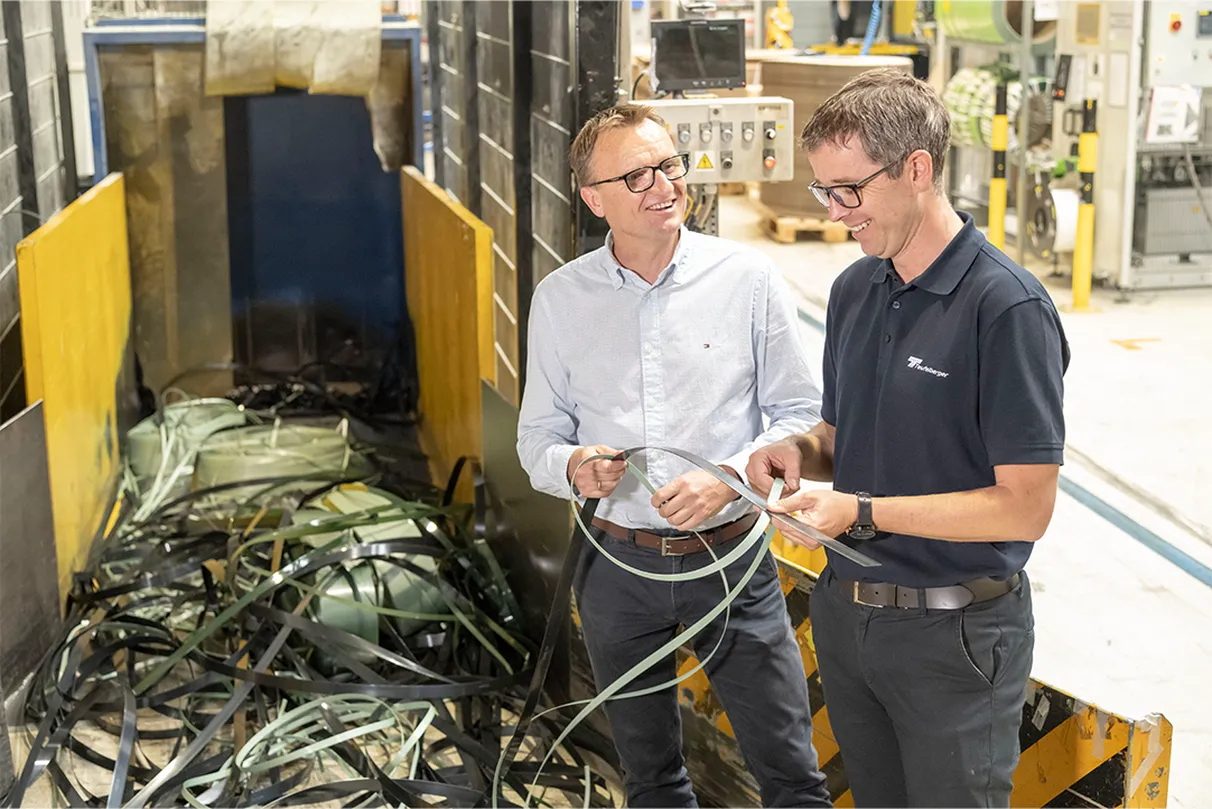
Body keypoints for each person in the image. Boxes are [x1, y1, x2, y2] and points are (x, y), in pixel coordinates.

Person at [745, 69, 1070, 808]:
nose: (834, 213)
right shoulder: (856, 289)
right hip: (849, 619)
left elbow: (1024, 507)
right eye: (824, 191)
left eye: (848, 191)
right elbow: (841, 431)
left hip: (952, 639)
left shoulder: (1006, 308)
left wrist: (858, 509)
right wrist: (800, 450)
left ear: (916, 170)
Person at [516, 102, 832, 808]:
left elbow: (801, 415)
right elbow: (536, 437)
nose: (663, 183)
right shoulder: (561, 300)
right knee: (653, 779)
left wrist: (728, 479)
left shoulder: (746, 281)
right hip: (615, 570)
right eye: (635, 175)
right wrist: (573, 465)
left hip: (731, 566)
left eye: (668, 164)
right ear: (593, 198)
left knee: (792, 776)